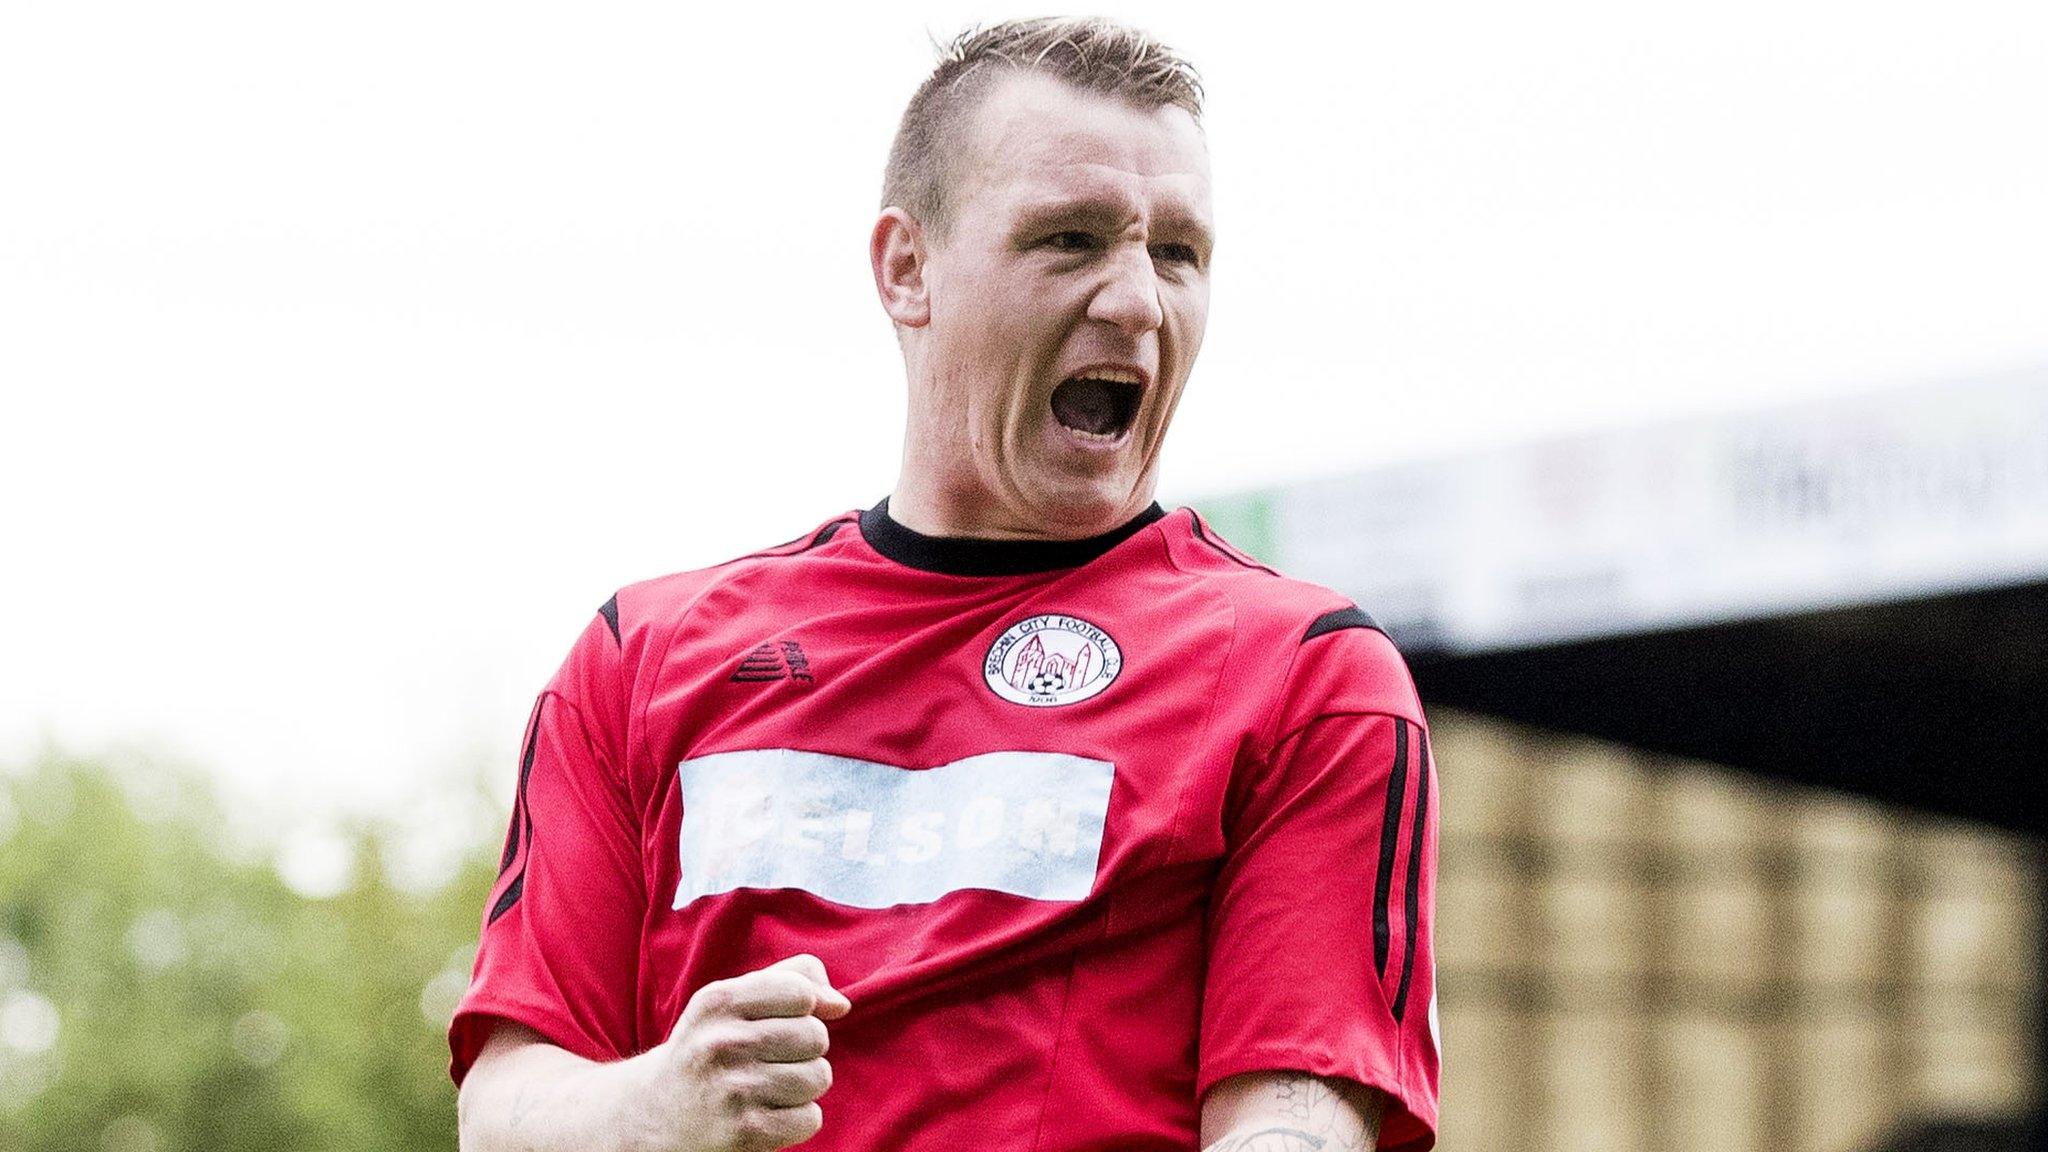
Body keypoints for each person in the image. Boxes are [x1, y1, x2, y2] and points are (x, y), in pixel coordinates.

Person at [450, 17, 1440, 1152]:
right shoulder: (644, 656)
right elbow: (504, 1111)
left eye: (1176, 253)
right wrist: (656, 1102)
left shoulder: (1304, 672)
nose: (1135, 301)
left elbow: (1294, 1123)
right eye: (1070, 240)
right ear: (905, 268)